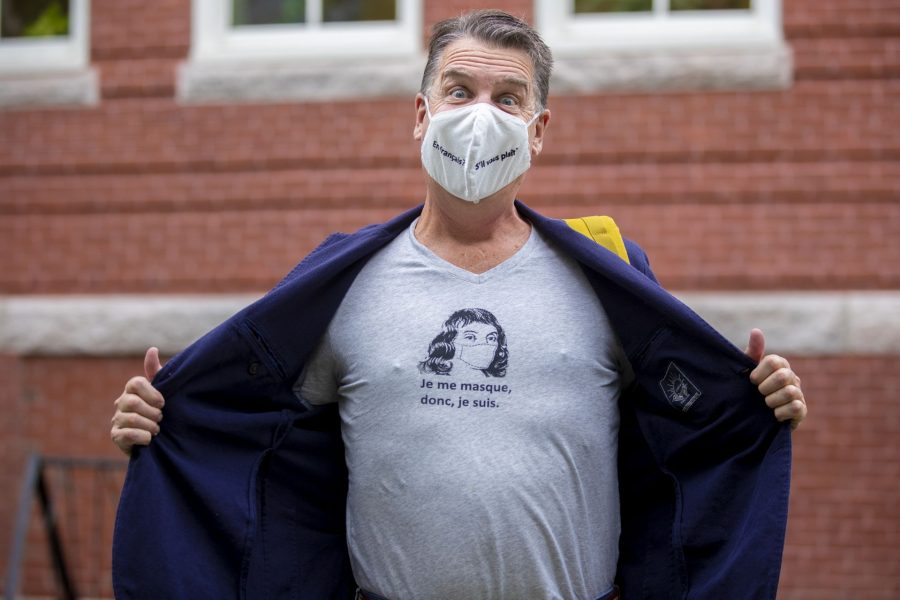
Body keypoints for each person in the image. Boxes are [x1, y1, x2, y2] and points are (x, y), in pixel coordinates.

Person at [110, 10, 807, 600]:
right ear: (421, 115)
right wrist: (164, 420)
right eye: (459, 90)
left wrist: (756, 402)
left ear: (537, 130)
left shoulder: (608, 274)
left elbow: (689, 436)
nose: (481, 116)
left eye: (509, 99)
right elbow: (247, 437)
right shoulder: (342, 282)